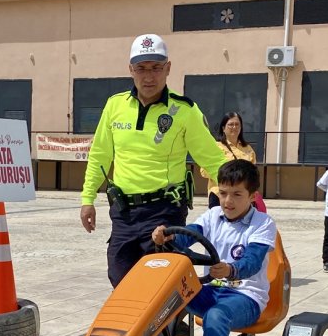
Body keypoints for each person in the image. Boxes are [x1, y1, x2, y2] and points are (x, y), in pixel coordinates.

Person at [80, 34, 227, 287]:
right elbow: (100, 155)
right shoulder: (114, 106)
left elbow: (212, 159)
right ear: (131, 70)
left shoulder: (184, 110)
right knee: (120, 277)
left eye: (156, 68)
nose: (149, 77)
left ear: (168, 68)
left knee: (159, 284)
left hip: (164, 211)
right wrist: (87, 199)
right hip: (124, 214)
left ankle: (169, 327)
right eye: (141, 68)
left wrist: (244, 195)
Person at [152, 159, 276, 336]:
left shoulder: (263, 223)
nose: (228, 201)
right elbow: (187, 236)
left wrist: (231, 269)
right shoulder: (212, 216)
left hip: (245, 297)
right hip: (210, 290)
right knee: (162, 297)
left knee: (216, 317)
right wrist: (167, 236)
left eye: (236, 194)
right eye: (223, 193)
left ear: (252, 196)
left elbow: (253, 262)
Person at [200, 112, 267, 212]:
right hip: (220, 194)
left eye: (237, 124)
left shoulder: (248, 149)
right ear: (223, 128)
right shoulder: (215, 147)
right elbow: (204, 171)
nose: (234, 127)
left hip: (242, 197)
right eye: (230, 124)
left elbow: (252, 174)